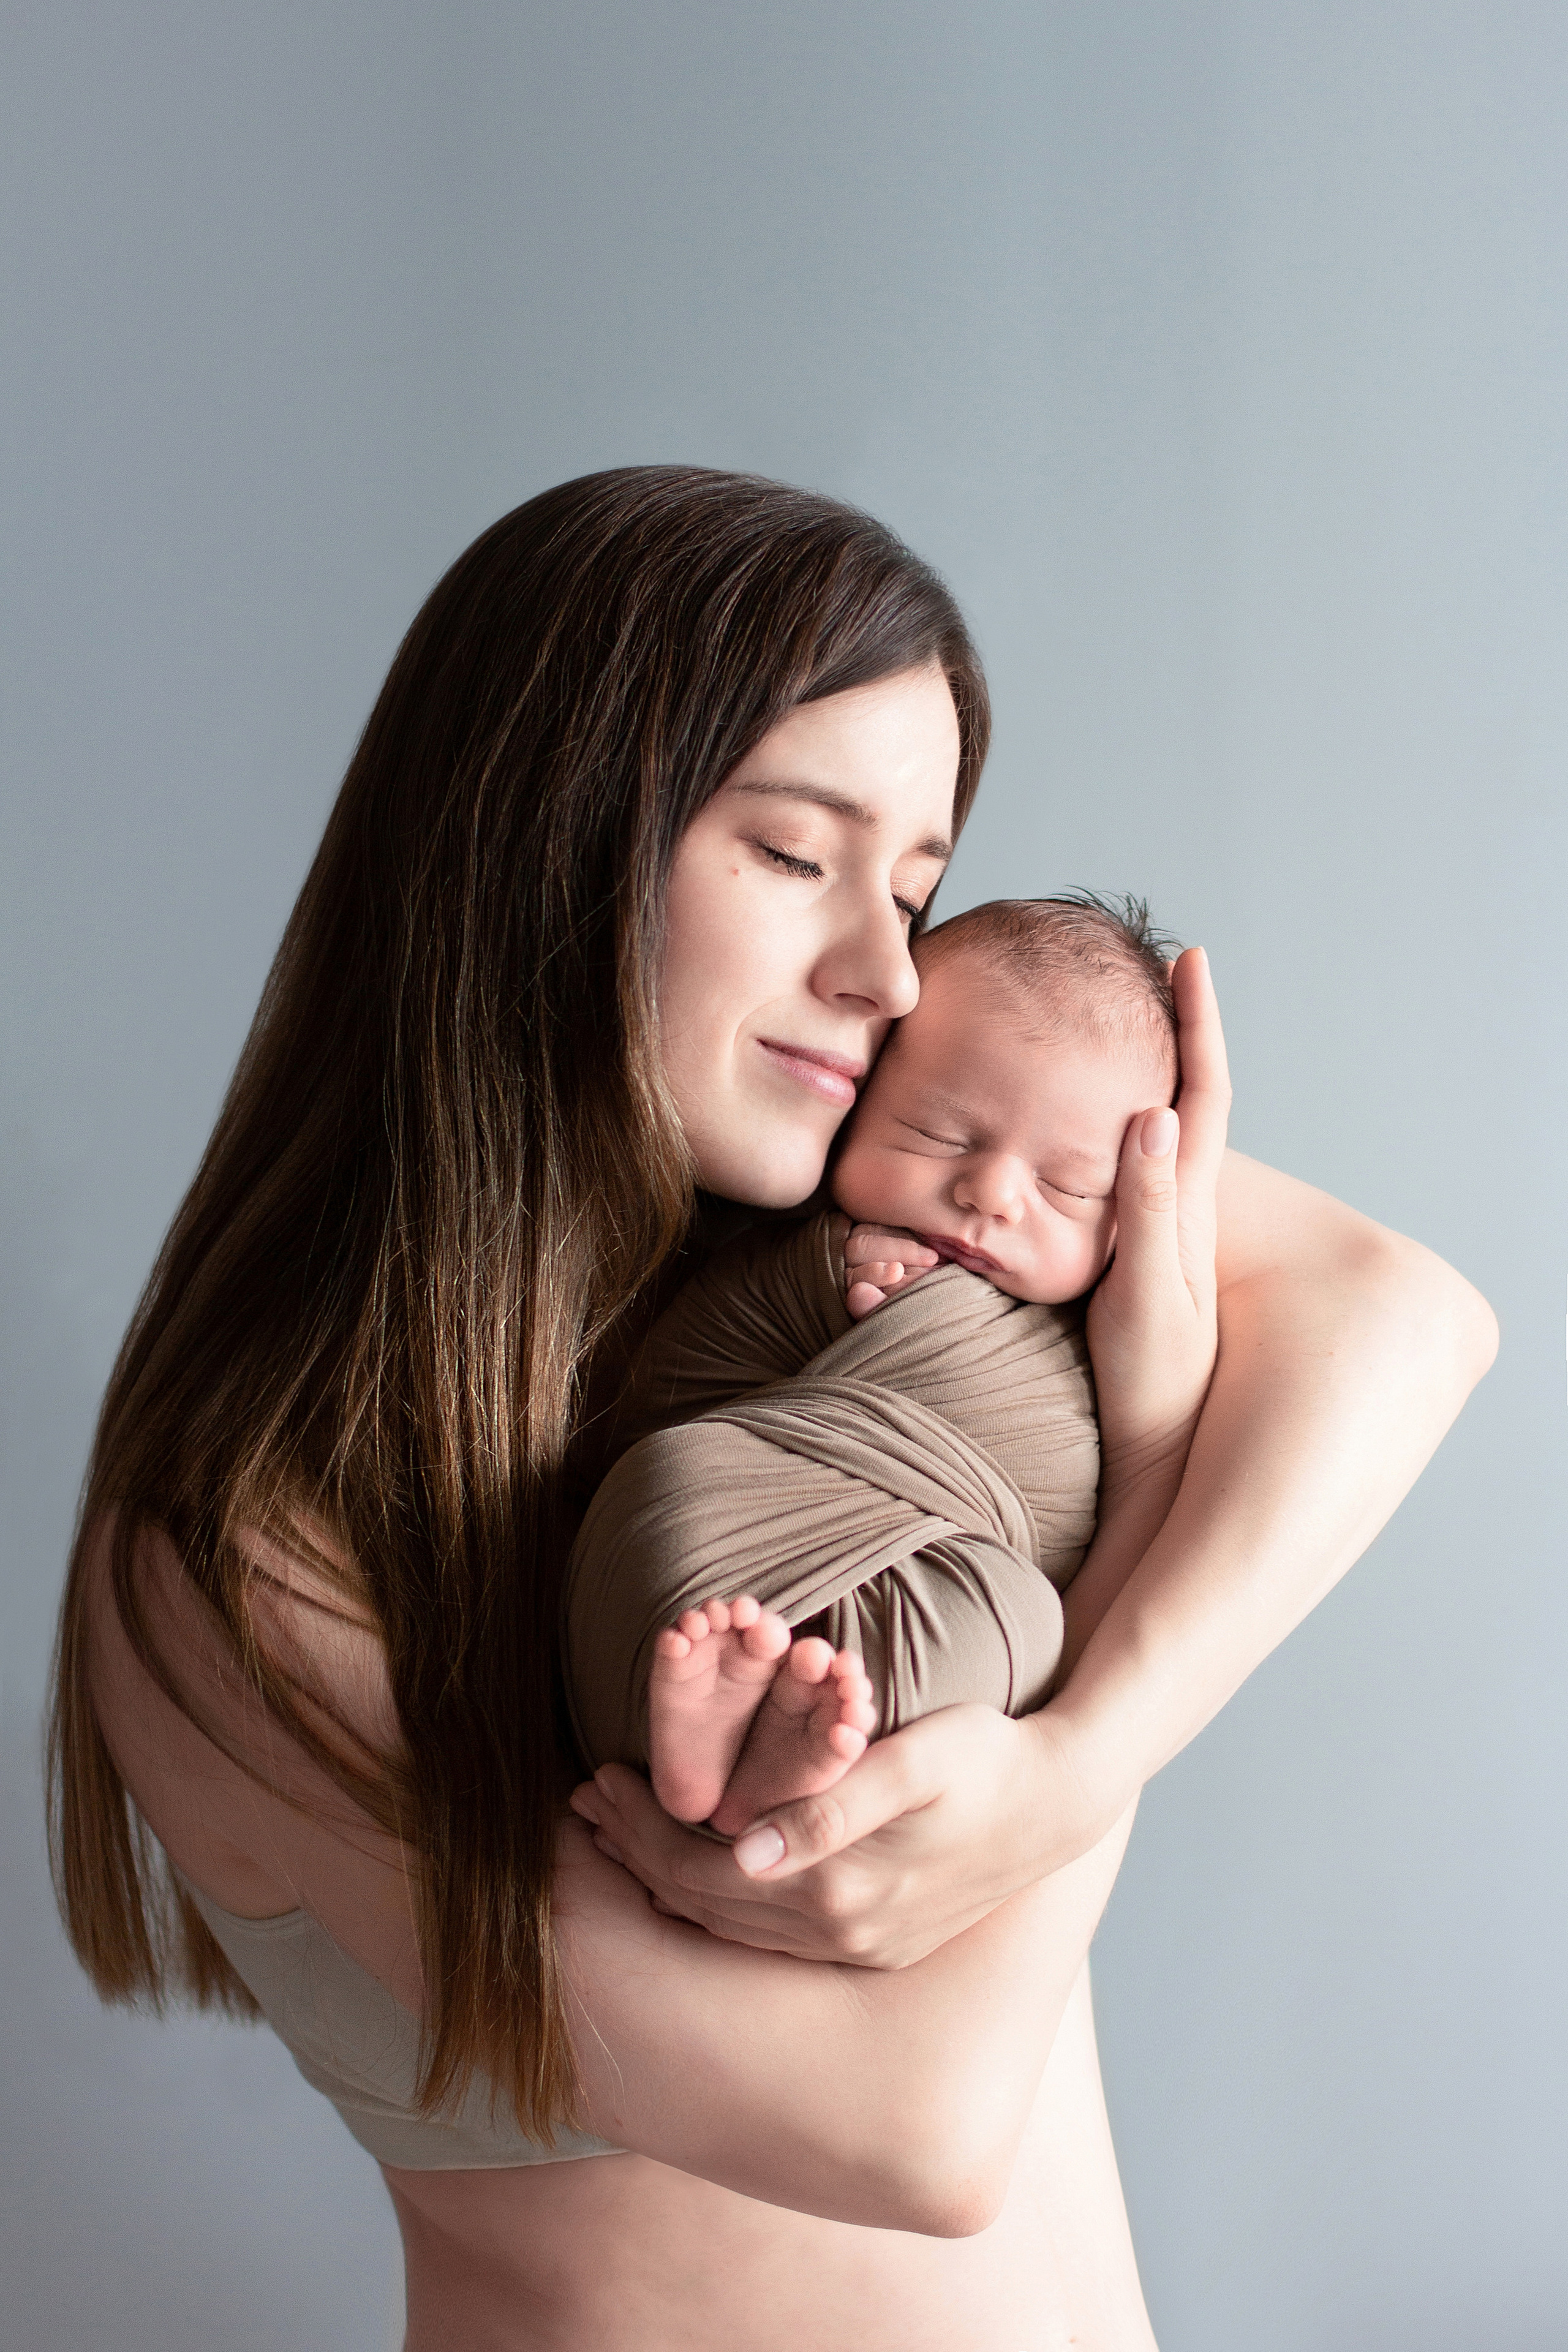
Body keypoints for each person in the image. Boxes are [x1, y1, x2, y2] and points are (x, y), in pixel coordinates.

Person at [48, 467, 1497, 2351]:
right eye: (797, 856)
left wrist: (1069, 1751)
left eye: (916, 883)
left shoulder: (860, 1206)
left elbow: (1406, 1315)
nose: (887, 973)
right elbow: (916, 2127)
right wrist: (1135, 1498)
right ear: (538, 849)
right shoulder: (239, 1548)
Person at [573, 892, 1196, 1838]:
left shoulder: (1103, 1340)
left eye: (1067, 1186)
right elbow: (670, 1386)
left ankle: (765, 1761)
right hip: (720, 1564)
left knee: (1023, 1621)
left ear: (1130, 1213)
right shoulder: (793, 1254)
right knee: (670, 1475)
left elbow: (1068, 1525)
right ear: (857, 1098)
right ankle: (702, 1736)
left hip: (940, 1591)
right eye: (941, 1134)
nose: (989, 1192)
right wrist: (814, 1280)